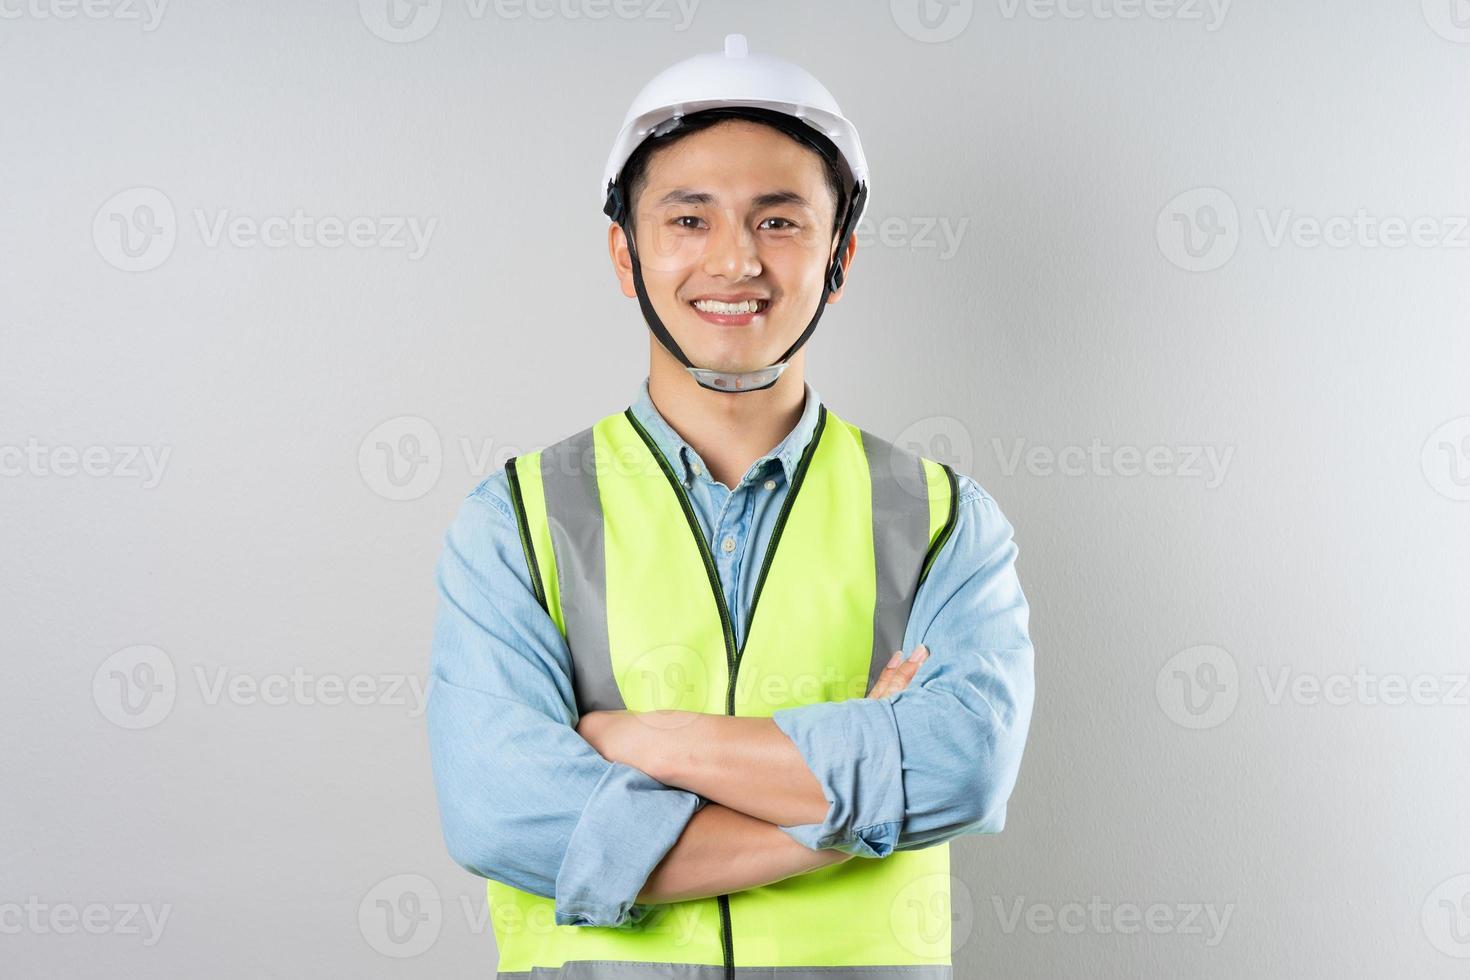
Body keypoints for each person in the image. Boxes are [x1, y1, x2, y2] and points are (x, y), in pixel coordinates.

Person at [426, 34, 1035, 980]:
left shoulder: (943, 517)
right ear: (627, 255)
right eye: (689, 220)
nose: (736, 260)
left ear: (839, 256)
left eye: (780, 222)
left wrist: (644, 741)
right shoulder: (515, 518)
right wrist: (836, 829)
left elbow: (963, 767)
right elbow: (505, 813)